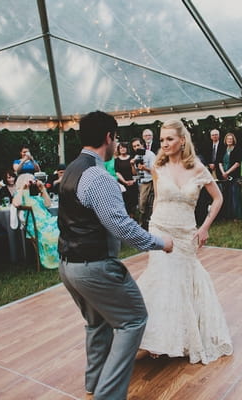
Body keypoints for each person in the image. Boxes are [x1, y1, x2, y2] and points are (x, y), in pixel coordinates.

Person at [57, 110, 173, 399]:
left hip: (68, 267)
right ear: (109, 137)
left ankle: (94, 384)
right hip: (94, 268)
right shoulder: (98, 176)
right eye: (115, 137)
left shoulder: (71, 170)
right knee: (133, 320)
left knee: (97, 324)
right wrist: (161, 242)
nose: (116, 142)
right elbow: (122, 227)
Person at [136, 119, 233, 364]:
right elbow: (157, 200)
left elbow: (218, 198)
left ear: (182, 140)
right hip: (160, 228)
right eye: (162, 140)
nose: (165, 144)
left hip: (186, 232)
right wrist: (151, 232)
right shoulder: (158, 167)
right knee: (162, 280)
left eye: (170, 139)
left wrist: (205, 227)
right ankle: (157, 339)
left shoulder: (198, 168)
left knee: (183, 281)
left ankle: (183, 336)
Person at [12, 173, 59, 269]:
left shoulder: (36, 194)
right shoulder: (20, 194)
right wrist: (22, 188)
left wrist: (42, 188)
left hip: (47, 220)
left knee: (62, 223)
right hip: (35, 224)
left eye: (33, 180)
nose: (32, 182)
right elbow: (17, 203)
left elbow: (48, 204)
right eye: (30, 180)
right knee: (54, 230)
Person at [131, 137, 156, 229]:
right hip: (141, 182)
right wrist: (132, 164)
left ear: (142, 145)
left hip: (150, 181)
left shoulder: (150, 155)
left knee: (150, 204)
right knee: (142, 205)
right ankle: (142, 224)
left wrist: (145, 168)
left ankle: (149, 224)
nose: (136, 147)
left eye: (138, 145)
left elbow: (155, 170)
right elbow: (134, 173)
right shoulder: (136, 157)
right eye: (134, 146)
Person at [219, 132, 242, 219]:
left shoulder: (237, 149)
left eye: (231, 139)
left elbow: (237, 164)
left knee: (234, 194)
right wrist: (223, 173)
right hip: (224, 175)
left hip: (234, 175)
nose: (229, 140)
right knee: (226, 194)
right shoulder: (223, 149)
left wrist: (227, 172)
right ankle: (227, 215)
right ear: (225, 140)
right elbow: (220, 162)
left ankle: (236, 215)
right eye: (228, 139)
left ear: (233, 140)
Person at [114, 142, 138, 217]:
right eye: (120, 148)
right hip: (123, 185)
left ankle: (133, 218)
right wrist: (124, 181)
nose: (122, 149)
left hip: (133, 183)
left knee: (133, 204)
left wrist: (132, 165)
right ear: (118, 150)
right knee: (125, 203)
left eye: (124, 147)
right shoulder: (117, 160)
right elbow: (117, 172)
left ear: (127, 148)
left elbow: (136, 173)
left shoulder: (132, 158)